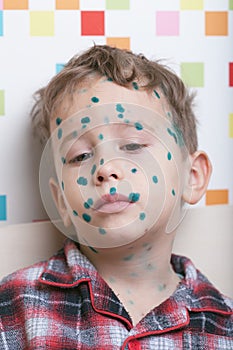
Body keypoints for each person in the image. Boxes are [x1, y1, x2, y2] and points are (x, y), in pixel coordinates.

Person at [0, 45, 232, 349]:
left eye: (133, 145)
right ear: (61, 203)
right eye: (80, 155)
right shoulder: (13, 307)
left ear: (192, 177)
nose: (105, 169)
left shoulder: (224, 325)